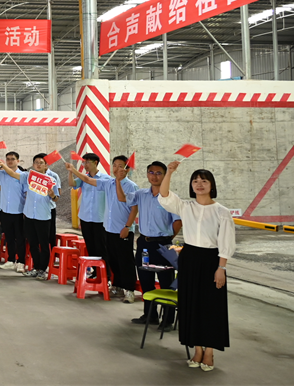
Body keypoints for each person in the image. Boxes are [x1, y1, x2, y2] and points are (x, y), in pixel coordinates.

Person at [159, 162, 234, 372]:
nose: (199, 184)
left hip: (212, 260)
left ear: (212, 185)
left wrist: (221, 268)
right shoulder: (186, 207)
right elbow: (164, 196)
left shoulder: (222, 212)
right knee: (190, 304)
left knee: (211, 306)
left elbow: (226, 242)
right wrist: (169, 172)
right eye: (195, 181)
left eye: (204, 181)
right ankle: (197, 349)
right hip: (189, 258)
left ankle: (209, 351)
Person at [69, 155, 139, 302]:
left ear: (127, 169)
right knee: (113, 259)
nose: (117, 169)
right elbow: (88, 180)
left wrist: (127, 226)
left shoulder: (131, 186)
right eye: (115, 166)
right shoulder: (108, 183)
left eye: (121, 166)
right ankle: (117, 286)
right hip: (109, 228)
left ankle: (129, 290)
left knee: (125, 260)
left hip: (123, 229)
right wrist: (73, 170)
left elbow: (134, 209)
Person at [130, 161, 182, 330]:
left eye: (159, 173)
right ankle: (150, 315)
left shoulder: (171, 198)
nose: (154, 176)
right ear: (147, 174)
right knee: (146, 280)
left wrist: (167, 238)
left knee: (166, 282)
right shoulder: (141, 194)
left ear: (165, 175)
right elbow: (123, 198)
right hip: (144, 243)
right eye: (151, 172)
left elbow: (178, 222)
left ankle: (167, 319)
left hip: (163, 245)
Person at [15, 154, 60, 279]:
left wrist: (52, 195)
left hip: (43, 216)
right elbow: (14, 174)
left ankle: (43, 269)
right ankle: (36, 267)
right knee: (33, 243)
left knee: (44, 244)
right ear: (33, 164)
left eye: (41, 162)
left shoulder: (51, 179)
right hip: (29, 215)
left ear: (46, 165)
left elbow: (56, 198)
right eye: (36, 162)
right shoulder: (29, 177)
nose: (38, 164)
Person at [68, 153, 111, 279]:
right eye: (84, 162)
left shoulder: (106, 178)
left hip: (100, 218)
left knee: (101, 248)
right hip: (85, 217)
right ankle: (96, 272)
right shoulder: (83, 178)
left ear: (96, 162)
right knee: (91, 247)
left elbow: (88, 180)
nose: (85, 165)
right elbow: (72, 183)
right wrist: (70, 172)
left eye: (87, 162)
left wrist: (74, 170)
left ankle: (106, 276)